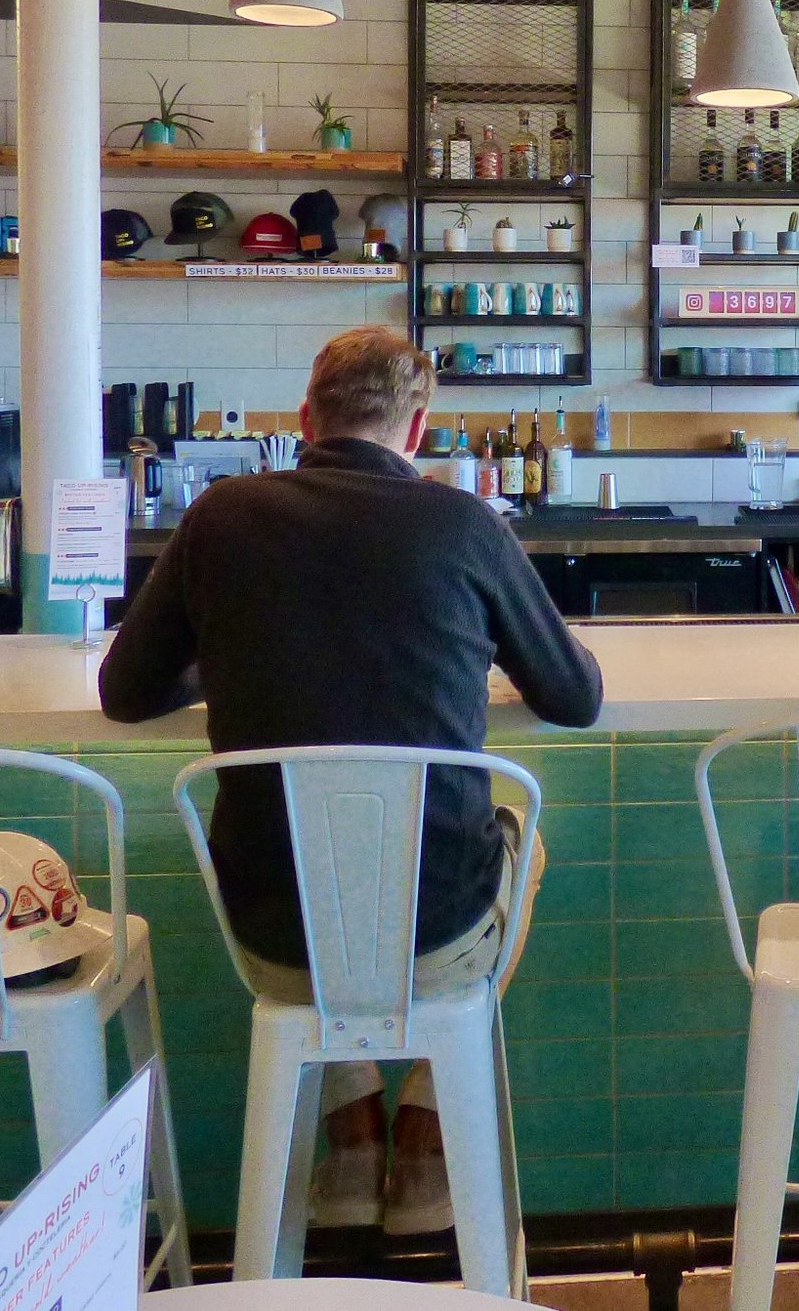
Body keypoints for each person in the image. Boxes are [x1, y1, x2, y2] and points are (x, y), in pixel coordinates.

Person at [101, 326, 603, 1234]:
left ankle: (352, 1128)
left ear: (304, 418)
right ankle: (425, 1121)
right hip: (438, 934)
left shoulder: (221, 514)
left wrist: (227, 656)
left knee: (318, 898)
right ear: (417, 431)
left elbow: (124, 692)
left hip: (269, 936)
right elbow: (574, 697)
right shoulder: (461, 521)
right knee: (519, 844)